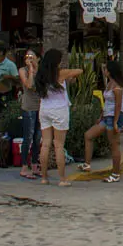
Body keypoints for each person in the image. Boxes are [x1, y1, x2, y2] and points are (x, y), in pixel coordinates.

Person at [35, 49, 82, 187]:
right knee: (59, 145)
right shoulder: (60, 73)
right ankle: (62, 179)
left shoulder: (41, 75)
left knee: (45, 144)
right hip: (59, 111)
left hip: (44, 109)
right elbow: (79, 71)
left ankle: (44, 177)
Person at [81, 60, 123, 182]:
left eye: (106, 69)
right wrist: (101, 116)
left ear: (110, 71)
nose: (104, 71)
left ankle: (116, 173)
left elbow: (118, 105)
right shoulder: (109, 84)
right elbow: (107, 103)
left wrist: (116, 122)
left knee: (114, 145)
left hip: (114, 117)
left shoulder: (117, 87)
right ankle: (87, 164)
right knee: (88, 135)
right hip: (107, 116)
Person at [18, 49, 42, 179]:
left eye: (32, 56)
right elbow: (28, 85)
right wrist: (31, 70)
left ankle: (34, 165)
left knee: (37, 138)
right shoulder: (23, 71)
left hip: (40, 107)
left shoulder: (42, 71)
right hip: (28, 107)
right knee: (28, 136)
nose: (30, 59)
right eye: (28, 57)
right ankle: (24, 167)